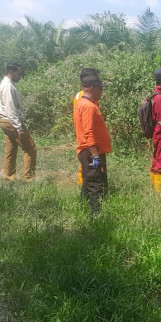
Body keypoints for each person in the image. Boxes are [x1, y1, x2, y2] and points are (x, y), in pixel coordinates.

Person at [73, 69, 112, 215]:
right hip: (90, 152)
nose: (102, 92)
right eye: (100, 88)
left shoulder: (84, 104)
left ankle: (82, 208)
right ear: (92, 88)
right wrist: (95, 155)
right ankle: (95, 216)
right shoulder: (88, 106)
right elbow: (88, 132)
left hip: (89, 150)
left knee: (88, 181)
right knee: (95, 183)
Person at [0, 62, 37, 181]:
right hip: (11, 121)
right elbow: (10, 109)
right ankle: (28, 179)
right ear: (11, 72)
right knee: (30, 149)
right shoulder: (8, 86)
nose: (20, 76)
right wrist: (19, 128)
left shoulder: (6, 84)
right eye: (19, 73)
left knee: (11, 149)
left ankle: (8, 178)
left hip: (5, 121)